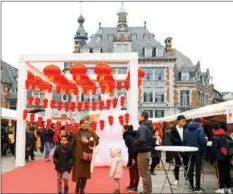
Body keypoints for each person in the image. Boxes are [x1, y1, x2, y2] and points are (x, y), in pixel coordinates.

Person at [72, 118, 99, 194]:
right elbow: (72, 145)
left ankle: (82, 188)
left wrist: (89, 141)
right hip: (77, 156)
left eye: (87, 123)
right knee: (78, 173)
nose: (85, 125)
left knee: (85, 173)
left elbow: (97, 142)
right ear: (80, 124)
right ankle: (77, 186)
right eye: (84, 123)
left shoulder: (92, 133)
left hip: (87, 155)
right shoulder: (76, 133)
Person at [183, 118, 207, 193]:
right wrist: (204, 150)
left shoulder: (187, 129)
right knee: (197, 169)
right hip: (198, 151)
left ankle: (191, 186)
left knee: (190, 168)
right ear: (200, 123)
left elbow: (184, 140)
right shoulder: (200, 129)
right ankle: (197, 188)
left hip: (190, 151)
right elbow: (202, 140)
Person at [134, 111, 153, 194]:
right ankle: (148, 191)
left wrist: (134, 142)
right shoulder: (148, 126)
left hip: (142, 152)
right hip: (147, 152)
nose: (138, 116)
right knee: (147, 174)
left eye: (139, 115)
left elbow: (142, 139)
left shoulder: (142, 127)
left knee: (144, 174)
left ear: (142, 117)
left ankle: (146, 191)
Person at [211, 123, 232, 194]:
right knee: (227, 171)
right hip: (228, 156)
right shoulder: (227, 135)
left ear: (213, 129)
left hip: (219, 157)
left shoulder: (215, 137)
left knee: (220, 173)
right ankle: (229, 188)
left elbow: (214, 150)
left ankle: (221, 188)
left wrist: (212, 159)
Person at [169, 115, 188, 186]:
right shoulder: (173, 129)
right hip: (177, 149)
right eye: (183, 121)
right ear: (178, 121)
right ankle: (176, 179)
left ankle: (186, 179)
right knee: (177, 164)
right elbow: (173, 139)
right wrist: (182, 141)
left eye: (185, 121)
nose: (184, 122)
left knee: (186, 164)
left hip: (185, 149)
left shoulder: (186, 128)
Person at [122, 124, 139, 192]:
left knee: (134, 170)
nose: (121, 130)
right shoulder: (127, 135)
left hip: (133, 154)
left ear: (126, 130)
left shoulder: (128, 136)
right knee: (131, 169)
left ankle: (135, 186)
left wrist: (133, 158)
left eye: (122, 129)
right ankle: (131, 184)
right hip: (131, 154)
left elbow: (132, 147)